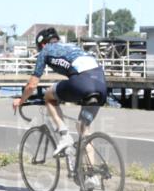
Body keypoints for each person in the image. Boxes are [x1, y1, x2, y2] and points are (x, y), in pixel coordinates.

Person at [12, 27, 108, 159]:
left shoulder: (45, 51)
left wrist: (21, 100)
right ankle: (92, 175)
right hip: (101, 83)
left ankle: (65, 137)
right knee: (83, 129)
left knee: (49, 96)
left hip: (82, 82)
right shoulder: (71, 46)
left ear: (43, 44)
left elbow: (32, 85)